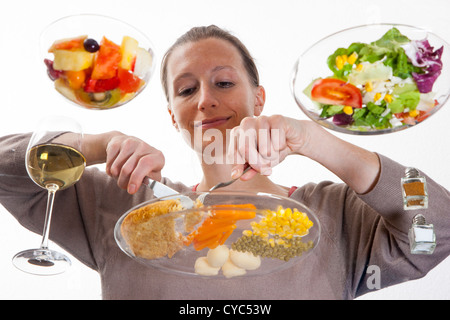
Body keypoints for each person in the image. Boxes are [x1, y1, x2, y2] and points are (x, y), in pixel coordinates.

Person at [1, 25, 449, 300]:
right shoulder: (128, 205)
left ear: (259, 99)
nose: (206, 101)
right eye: (186, 89)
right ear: (171, 114)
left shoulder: (334, 213)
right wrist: (101, 145)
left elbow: (439, 228)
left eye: (223, 82)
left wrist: (319, 142)